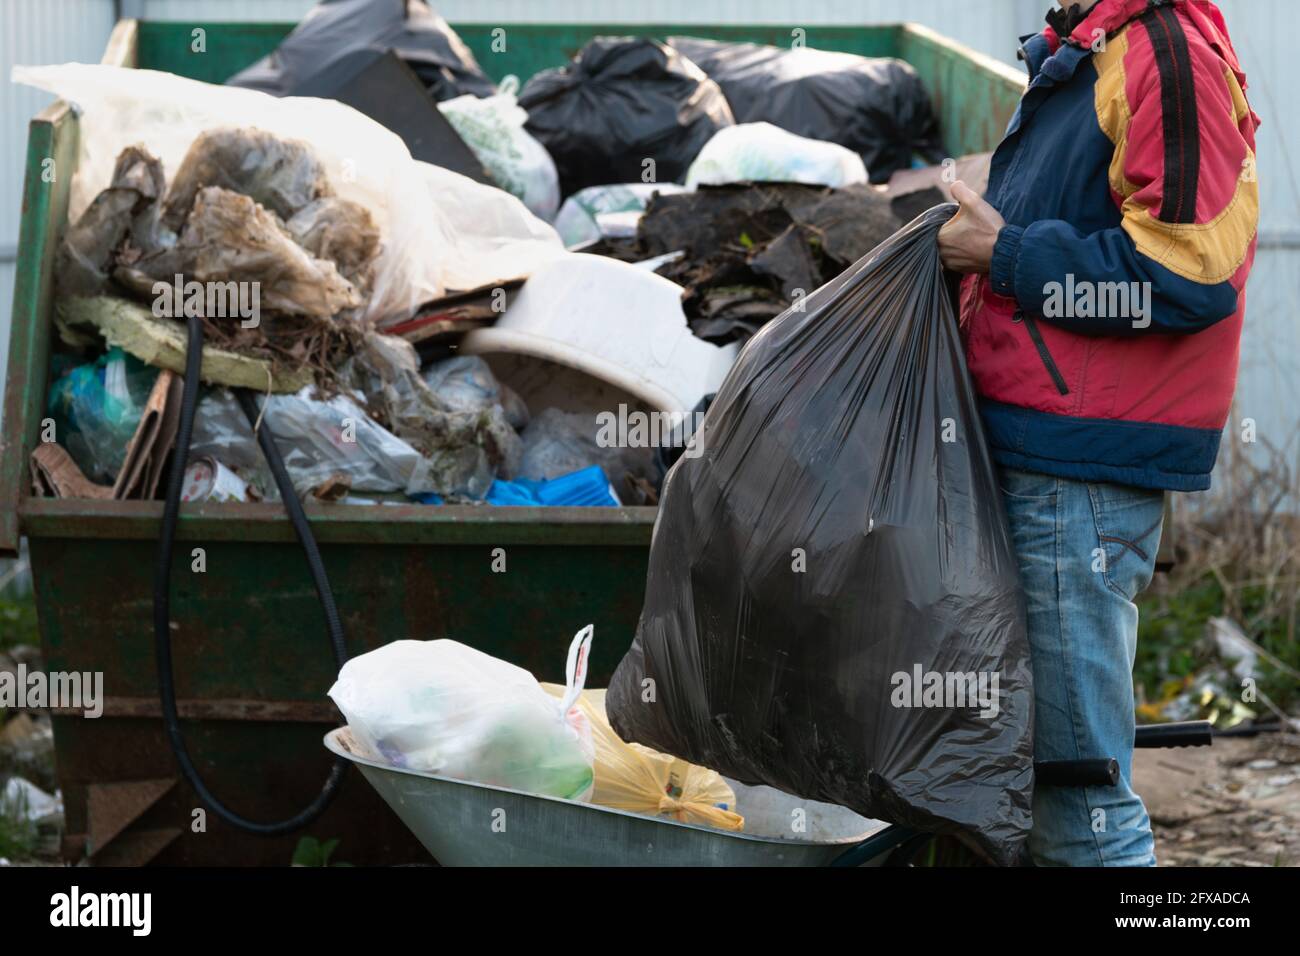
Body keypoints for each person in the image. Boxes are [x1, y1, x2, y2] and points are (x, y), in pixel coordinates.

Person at [937, 0, 1258, 866]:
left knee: (1079, 807)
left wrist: (1005, 253)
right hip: (1042, 447)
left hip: (1076, 471)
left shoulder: (1165, 57)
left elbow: (1187, 274)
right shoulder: (1089, 49)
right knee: (1039, 784)